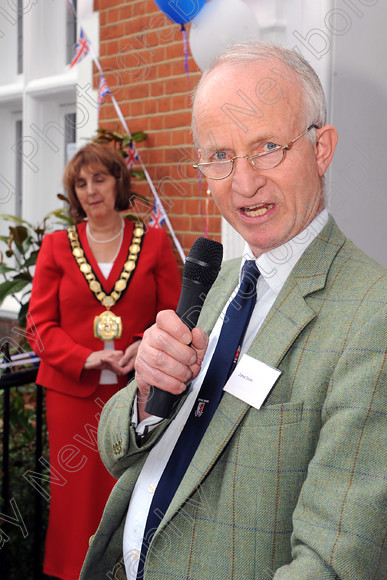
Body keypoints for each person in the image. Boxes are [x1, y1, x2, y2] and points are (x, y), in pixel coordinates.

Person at [80, 43, 386, 580]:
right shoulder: (221, 282)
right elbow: (113, 449)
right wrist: (148, 398)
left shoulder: (371, 315)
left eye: (268, 147)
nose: (244, 184)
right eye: (220, 156)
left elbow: (334, 565)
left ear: (322, 148)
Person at [27, 142, 181, 580]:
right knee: (76, 500)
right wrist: (86, 355)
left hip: (141, 389)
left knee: (133, 487)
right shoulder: (57, 246)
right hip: (73, 395)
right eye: (81, 183)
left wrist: (141, 342)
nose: (90, 190)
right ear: (74, 194)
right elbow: (38, 324)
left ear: (118, 182)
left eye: (99, 178)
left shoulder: (151, 242)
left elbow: (175, 312)